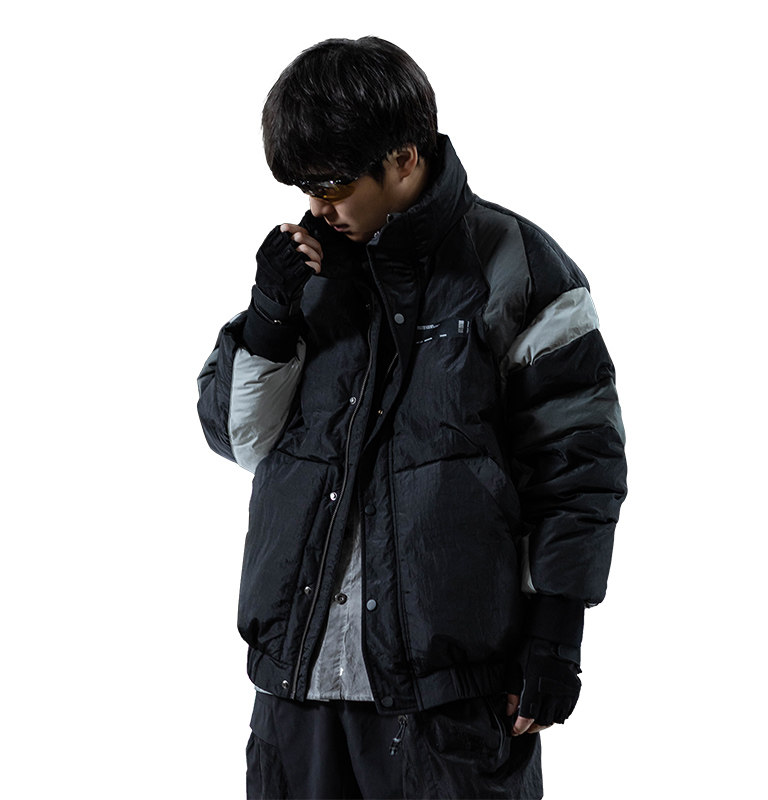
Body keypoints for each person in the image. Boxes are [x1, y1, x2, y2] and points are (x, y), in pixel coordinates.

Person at [197, 36, 626, 800]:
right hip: (300, 687)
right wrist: (268, 318)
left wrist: (558, 629)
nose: (316, 208)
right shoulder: (309, 274)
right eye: (303, 188)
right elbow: (241, 440)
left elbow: (578, 463)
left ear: (402, 158)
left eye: (332, 186)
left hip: (447, 700)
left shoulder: (516, 265)